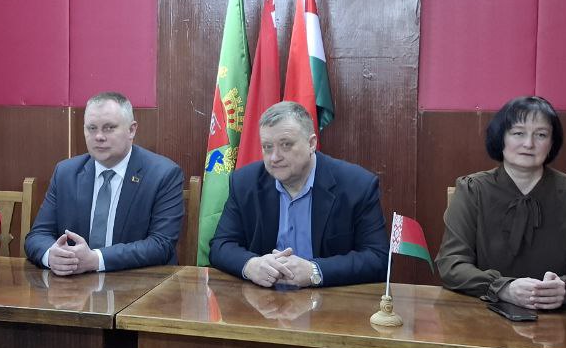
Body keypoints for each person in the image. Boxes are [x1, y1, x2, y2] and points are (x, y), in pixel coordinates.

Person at [435, 95, 566, 309]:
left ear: (552, 143)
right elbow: (451, 264)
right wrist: (503, 288)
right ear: (501, 138)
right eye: (518, 133)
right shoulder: (472, 190)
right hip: (483, 311)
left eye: (541, 135)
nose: (529, 144)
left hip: (558, 319)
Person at [210, 101, 388, 287]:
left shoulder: (357, 186)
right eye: (267, 147)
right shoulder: (245, 183)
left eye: (286, 145)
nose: (274, 157)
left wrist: (315, 271)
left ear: (311, 144)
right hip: (263, 299)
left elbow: (378, 258)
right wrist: (251, 265)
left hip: (329, 299)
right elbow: (220, 245)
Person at [24, 92, 184, 273]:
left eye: (109, 128)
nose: (99, 136)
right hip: (74, 284)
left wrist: (96, 260)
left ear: (131, 130)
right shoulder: (66, 173)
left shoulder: (163, 174)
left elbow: (161, 244)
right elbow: (38, 236)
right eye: (92, 128)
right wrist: (52, 256)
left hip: (140, 282)